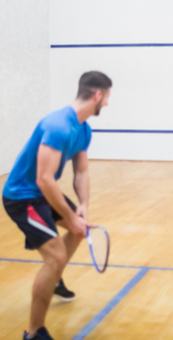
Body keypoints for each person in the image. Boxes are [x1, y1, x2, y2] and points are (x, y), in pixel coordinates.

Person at [2, 71, 112, 340]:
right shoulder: (58, 126)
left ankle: (54, 277)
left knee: (79, 229)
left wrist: (82, 207)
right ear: (97, 95)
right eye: (107, 98)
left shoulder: (83, 128)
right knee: (57, 257)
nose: (108, 104)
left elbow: (81, 172)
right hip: (22, 197)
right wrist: (70, 216)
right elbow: (43, 179)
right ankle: (34, 332)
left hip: (41, 194)